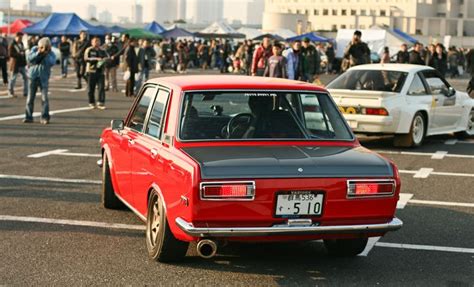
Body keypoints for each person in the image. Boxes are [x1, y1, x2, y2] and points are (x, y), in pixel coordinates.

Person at [24, 37, 56, 124]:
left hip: (44, 78)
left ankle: (45, 117)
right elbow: (29, 59)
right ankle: (28, 116)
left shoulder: (51, 53)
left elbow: (52, 62)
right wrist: (39, 52)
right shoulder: (34, 49)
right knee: (30, 98)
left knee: (44, 98)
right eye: (42, 46)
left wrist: (46, 53)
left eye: (46, 46)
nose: (44, 48)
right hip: (33, 76)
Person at [84, 37, 108, 109]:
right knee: (91, 88)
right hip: (91, 71)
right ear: (92, 42)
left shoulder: (102, 50)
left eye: (98, 41)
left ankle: (101, 102)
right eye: (95, 41)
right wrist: (96, 59)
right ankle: (91, 102)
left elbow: (107, 57)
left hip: (101, 72)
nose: (96, 43)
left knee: (101, 88)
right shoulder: (89, 50)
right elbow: (86, 58)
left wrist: (104, 60)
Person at [8, 32, 28, 98]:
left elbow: (23, 53)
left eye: (21, 37)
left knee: (25, 78)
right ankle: (11, 92)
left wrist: (25, 62)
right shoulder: (12, 44)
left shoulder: (21, 43)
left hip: (22, 64)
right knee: (13, 79)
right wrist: (19, 54)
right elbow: (10, 54)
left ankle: (25, 92)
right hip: (15, 64)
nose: (20, 39)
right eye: (19, 37)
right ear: (16, 37)